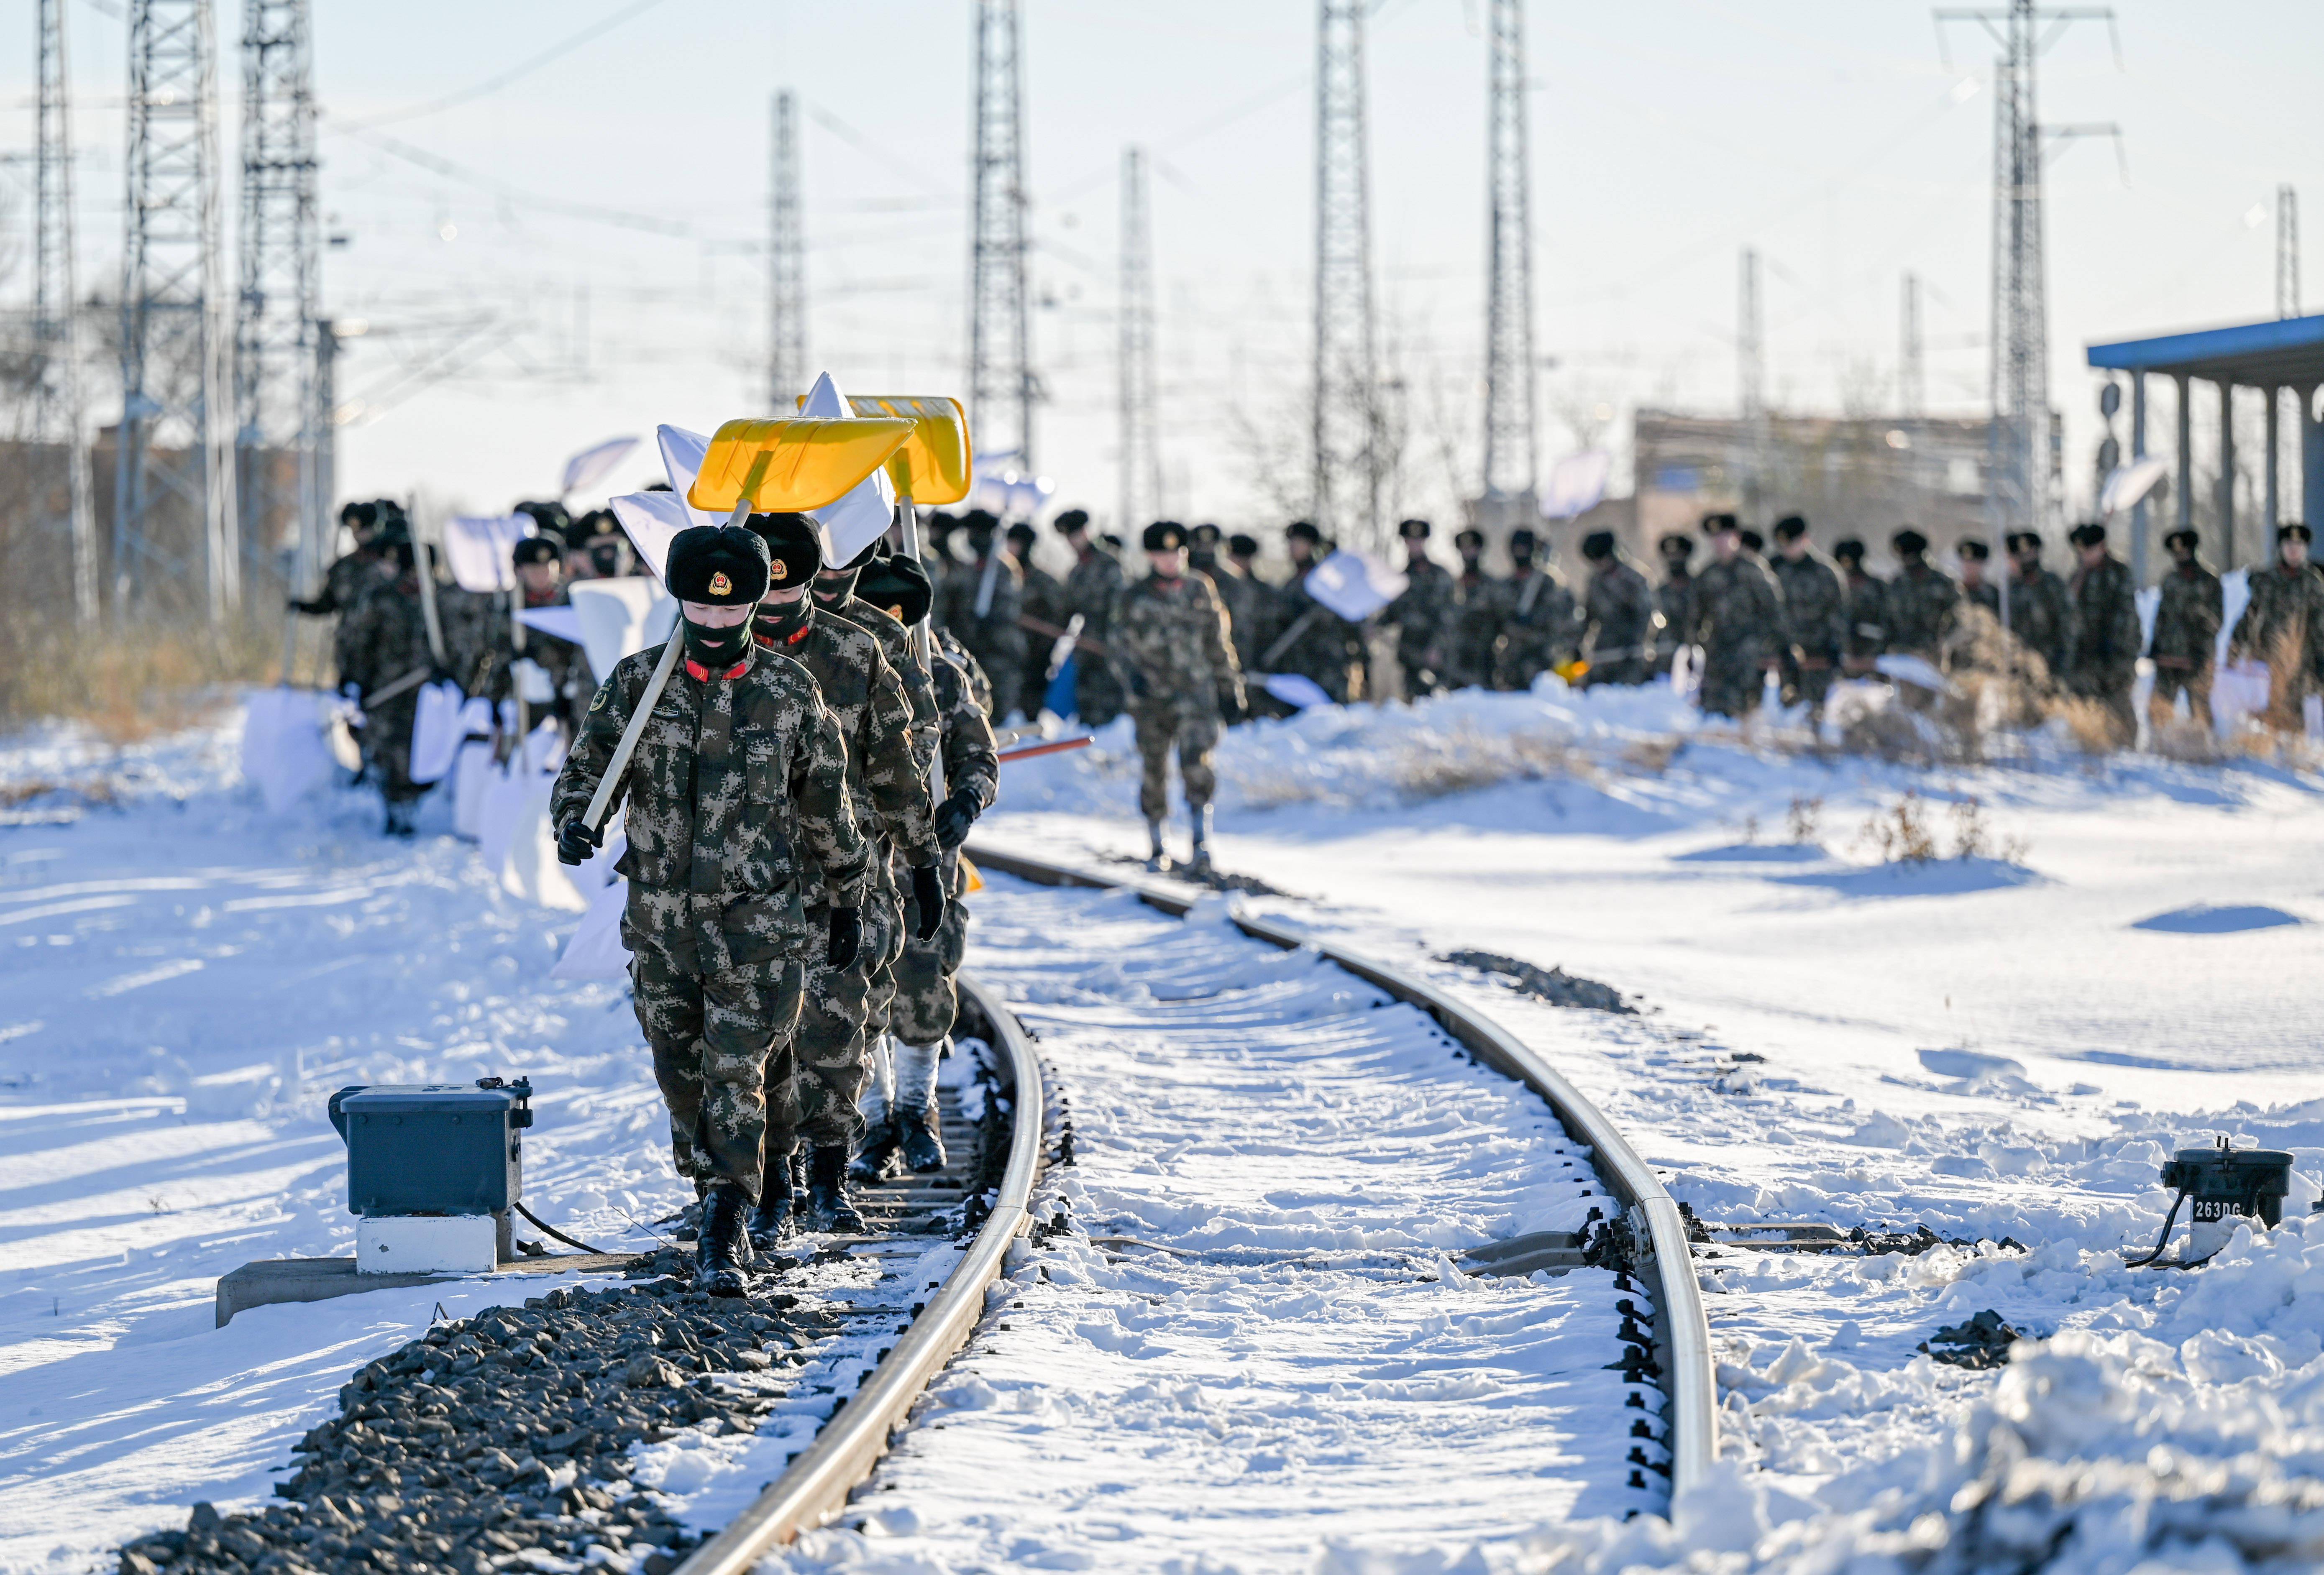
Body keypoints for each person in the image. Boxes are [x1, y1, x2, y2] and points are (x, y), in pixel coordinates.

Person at [550, 524, 868, 1295]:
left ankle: (726, 1219)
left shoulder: (789, 690)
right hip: (662, 924)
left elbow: (826, 802)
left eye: (733, 610)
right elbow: (590, 769)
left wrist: (847, 890)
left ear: (755, 603)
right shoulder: (636, 685)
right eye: (702, 606)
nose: (718, 621)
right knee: (681, 1073)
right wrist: (574, 820)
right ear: (681, 601)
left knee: (738, 1071)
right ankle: (745, 1183)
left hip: (758, 925)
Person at [743, 517, 945, 1233]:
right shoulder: (713, 651)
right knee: (759, 1042)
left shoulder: (857, 649)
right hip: (746, 882)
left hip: (843, 879)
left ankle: (828, 1178)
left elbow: (900, 764)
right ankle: (771, 1188)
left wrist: (921, 857)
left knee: (837, 1030)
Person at [852, 552, 998, 1176]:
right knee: (853, 988)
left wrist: (965, 802)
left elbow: (978, 754)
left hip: (924, 859)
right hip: (855, 855)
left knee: (923, 982)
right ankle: (872, 1118)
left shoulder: (940, 672)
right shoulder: (840, 666)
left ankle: (918, 1110)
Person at [1109, 521, 1245, 872]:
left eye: (1177, 553)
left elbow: (1219, 642)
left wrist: (1230, 687)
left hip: (1195, 696)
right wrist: (1131, 680)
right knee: (1154, 768)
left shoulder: (1200, 589)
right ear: (1151, 556)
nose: (1170, 560)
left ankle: (1201, 841)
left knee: (1197, 765)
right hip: (1151, 700)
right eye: (1162, 554)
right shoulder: (1134, 596)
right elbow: (1118, 648)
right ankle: (1158, 843)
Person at [335, 533, 440, 836]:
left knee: (421, 750)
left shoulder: (439, 600)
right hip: (387, 692)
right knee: (390, 751)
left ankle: (415, 804)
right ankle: (396, 808)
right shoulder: (382, 599)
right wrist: (355, 680)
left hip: (428, 693)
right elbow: (357, 643)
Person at [2230, 522, 2324, 734]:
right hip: (2267, 657)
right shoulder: (2266, 580)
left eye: (2299, 546)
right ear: (2281, 547)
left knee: (2295, 708)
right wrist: (2235, 648)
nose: (2294, 550)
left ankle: (2293, 750)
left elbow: (2320, 627)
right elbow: (2249, 617)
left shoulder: (2312, 583)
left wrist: (2321, 661)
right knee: (2268, 706)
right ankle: (2268, 748)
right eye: (2289, 544)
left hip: (2302, 659)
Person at [1688, 513, 1785, 719]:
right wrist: (1692, 648)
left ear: (1736, 537)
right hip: (1717, 652)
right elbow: (1696, 616)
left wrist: (1773, 650)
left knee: (1745, 709)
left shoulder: (1754, 571)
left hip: (1749, 652)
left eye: (1724, 537)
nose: (1719, 543)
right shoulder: (1707, 575)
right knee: (1713, 710)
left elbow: (1773, 612)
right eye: (1715, 538)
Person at [933, 510, 1027, 721]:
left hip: (998, 648)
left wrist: (990, 620)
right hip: (972, 645)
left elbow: (1009, 606)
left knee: (999, 701)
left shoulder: (1003, 567)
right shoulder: (968, 569)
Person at [1259, 521, 1364, 703]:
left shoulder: (1329, 582)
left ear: (1312, 546)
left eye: (1299, 543)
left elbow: (1353, 620)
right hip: (1298, 668)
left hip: (1328, 665)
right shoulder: (1290, 585)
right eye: (1291, 543)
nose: (1292, 548)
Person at [2062, 521, 2141, 747]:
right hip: (2086, 657)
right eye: (2081, 551)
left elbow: (2126, 616)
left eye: (2088, 550)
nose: (2084, 555)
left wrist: (2117, 651)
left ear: (2102, 547)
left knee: (2119, 703)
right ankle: (2092, 744)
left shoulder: (2118, 573)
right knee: (2088, 704)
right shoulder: (2078, 576)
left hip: (2116, 654)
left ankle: (2127, 748)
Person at [1053, 509, 1126, 726]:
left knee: (1111, 699)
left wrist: (1112, 642)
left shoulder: (1110, 564)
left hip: (1111, 645)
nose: (1073, 542)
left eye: (1076, 535)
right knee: (1086, 697)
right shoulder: (1076, 572)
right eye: (1069, 538)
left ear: (1087, 532)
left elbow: (1121, 609)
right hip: (1087, 647)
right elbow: (1067, 610)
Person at [2147, 528, 2222, 731]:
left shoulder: (2209, 581)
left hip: (2196, 660)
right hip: (2168, 659)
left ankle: (2206, 753)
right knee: (2158, 714)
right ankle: (2160, 750)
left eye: (2184, 552)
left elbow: (2214, 623)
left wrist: (2202, 654)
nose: (2180, 557)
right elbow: (2161, 617)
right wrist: (2155, 646)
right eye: (2176, 553)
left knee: (2201, 714)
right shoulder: (2170, 580)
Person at [1768, 516, 1843, 713]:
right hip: (1784, 655)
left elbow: (1838, 614)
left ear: (1805, 539)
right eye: (1783, 545)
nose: (1787, 549)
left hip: (1818, 656)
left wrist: (1835, 648)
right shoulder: (1773, 570)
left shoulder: (1825, 573)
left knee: (1817, 713)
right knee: (1786, 712)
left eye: (1791, 543)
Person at [1491, 527, 1578, 690]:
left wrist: (1539, 622)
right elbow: (1495, 623)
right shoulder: (1504, 587)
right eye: (1517, 550)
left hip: (1546, 663)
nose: (1521, 555)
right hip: (1512, 666)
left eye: (1525, 550)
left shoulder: (1551, 584)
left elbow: (1569, 623)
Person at [1386, 517, 1454, 699]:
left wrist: (1437, 648)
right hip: (1409, 657)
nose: (1414, 545)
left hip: (1435, 657)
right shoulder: (1399, 580)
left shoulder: (1440, 577)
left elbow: (1449, 617)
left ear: (1425, 542)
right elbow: (1390, 615)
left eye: (1418, 540)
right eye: (1410, 540)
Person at [1576, 530, 1656, 687]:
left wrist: (1635, 643)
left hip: (1632, 651)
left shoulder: (1634, 578)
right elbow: (1588, 617)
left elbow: (1646, 616)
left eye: (1601, 559)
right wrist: (1578, 646)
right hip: (1604, 652)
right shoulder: (1595, 581)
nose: (1598, 565)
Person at [2002, 531, 2073, 683]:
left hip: (2052, 669)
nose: (2011, 563)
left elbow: (2069, 628)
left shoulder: (2052, 585)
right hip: (2019, 672)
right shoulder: (2010, 588)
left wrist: (2063, 668)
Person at [1881, 529, 1958, 665]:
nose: (1907, 562)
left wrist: (1946, 644)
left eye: (1911, 557)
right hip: (1901, 655)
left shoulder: (1943, 582)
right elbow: (1887, 621)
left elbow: (1960, 616)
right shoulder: (1896, 584)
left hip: (1933, 655)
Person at [1443, 528, 1500, 690]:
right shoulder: (1451, 587)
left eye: (1472, 549)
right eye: (1464, 550)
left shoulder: (1493, 587)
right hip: (1455, 667)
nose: (1468, 554)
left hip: (1485, 665)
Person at [1211, 531, 1267, 691]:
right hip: (1227, 659)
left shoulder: (1263, 592)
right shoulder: (1217, 586)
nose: (1236, 564)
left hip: (1255, 662)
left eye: (1242, 559)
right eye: (1233, 558)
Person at [1832, 537, 1886, 678]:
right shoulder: (1831, 587)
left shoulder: (1878, 587)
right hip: (1841, 660)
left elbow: (1887, 623)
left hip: (1872, 657)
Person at [1652, 533, 1698, 677]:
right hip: (1664, 665)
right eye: (1670, 557)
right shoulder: (1659, 593)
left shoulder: (1699, 589)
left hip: (1696, 661)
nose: (1674, 562)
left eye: (1678, 557)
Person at [1956, 539, 1999, 616]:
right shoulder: (1955, 590)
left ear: (1982, 564)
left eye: (1974, 563)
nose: (1969, 567)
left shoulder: (1994, 592)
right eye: (1966, 562)